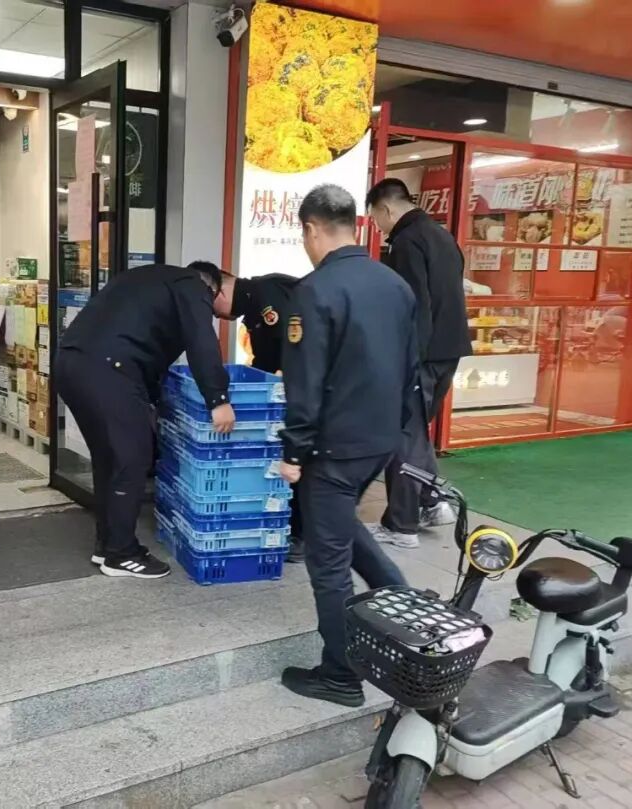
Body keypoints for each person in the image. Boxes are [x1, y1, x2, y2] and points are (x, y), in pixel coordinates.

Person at [277, 184, 416, 707]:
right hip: (379, 442)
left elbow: (305, 386)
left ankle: (339, 675)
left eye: (304, 235)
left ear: (312, 229)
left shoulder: (315, 291)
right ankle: (410, 614)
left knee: (328, 565)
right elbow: (411, 371)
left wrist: (293, 453)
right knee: (342, 530)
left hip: (332, 451)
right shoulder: (395, 286)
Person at [56, 262, 236, 579]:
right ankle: (122, 554)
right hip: (108, 370)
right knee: (132, 458)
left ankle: (108, 545)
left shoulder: (149, 279)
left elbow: (145, 347)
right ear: (213, 288)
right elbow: (201, 338)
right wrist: (218, 399)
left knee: (110, 459)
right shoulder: (192, 284)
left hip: (72, 363)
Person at [365, 178, 472, 549]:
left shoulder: (407, 242)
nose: (379, 227)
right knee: (416, 432)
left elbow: (414, 307)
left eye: (376, 219)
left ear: (386, 208)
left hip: (421, 354)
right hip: (449, 350)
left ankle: (401, 525)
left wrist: (404, 359)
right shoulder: (443, 236)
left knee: (404, 436)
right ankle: (431, 503)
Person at [211, 272, 307, 563]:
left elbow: (293, 347)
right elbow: (264, 359)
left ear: (221, 292)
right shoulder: (254, 304)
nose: (217, 315)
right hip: (291, 391)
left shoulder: (266, 295)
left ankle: (302, 536)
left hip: (305, 391)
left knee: (299, 463)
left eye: (214, 307)